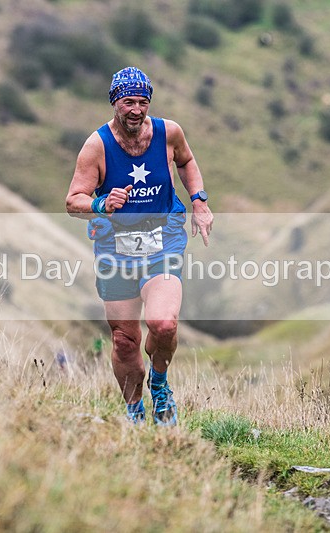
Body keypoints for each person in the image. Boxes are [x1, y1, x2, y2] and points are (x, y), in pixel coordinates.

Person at [65, 66, 213, 426]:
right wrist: (100, 204)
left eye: (142, 102)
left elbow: (187, 161)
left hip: (163, 240)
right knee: (125, 341)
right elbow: (73, 201)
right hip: (115, 249)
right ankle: (135, 412)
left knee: (163, 324)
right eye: (128, 101)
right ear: (115, 102)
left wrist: (199, 200)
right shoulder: (97, 146)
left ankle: (159, 384)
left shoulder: (168, 133)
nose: (136, 109)